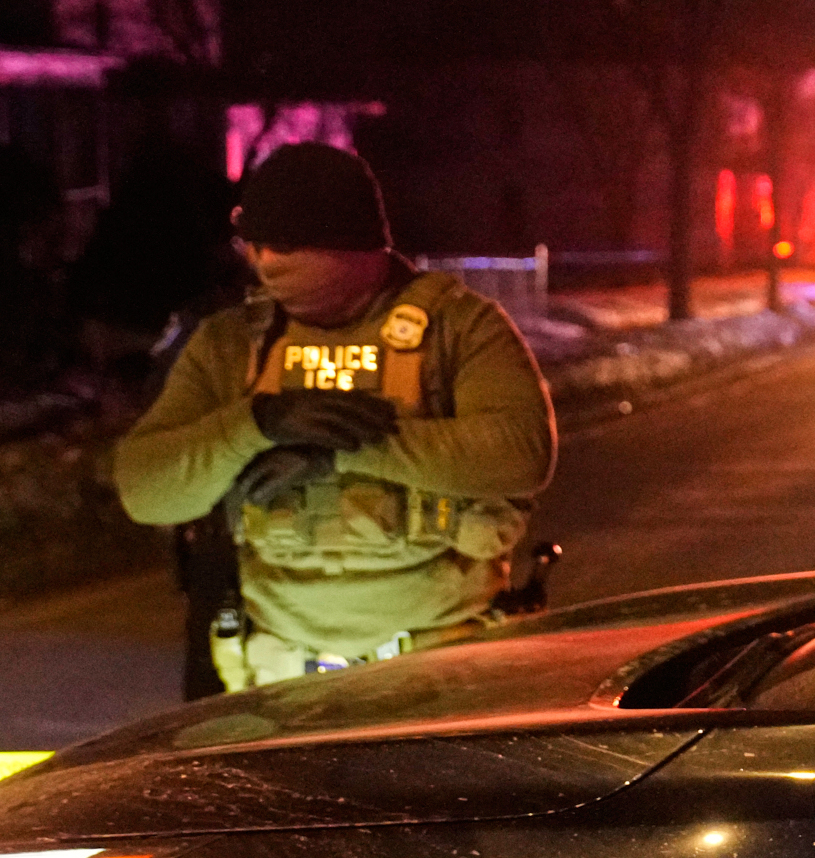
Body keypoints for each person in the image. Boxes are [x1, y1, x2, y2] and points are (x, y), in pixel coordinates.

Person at [113, 142, 557, 692]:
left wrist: (334, 452)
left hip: (439, 675)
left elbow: (520, 453)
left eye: (288, 245)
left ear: (357, 246)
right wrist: (258, 424)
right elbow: (147, 490)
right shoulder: (232, 343)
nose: (267, 263)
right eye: (257, 245)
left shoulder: (457, 327)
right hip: (279, 684)